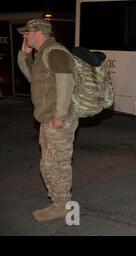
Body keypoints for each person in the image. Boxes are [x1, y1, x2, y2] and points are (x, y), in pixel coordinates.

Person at [17, 19, 78, 222]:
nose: (24, 35)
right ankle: (58, 202)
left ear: (40, 32)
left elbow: (65, 82)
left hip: (58, 119)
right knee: (48, 163)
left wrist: (60, 115)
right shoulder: (43, 53)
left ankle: (62, 205)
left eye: (28, 32)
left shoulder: (55, 52)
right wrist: (24, 53)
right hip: (48, 118)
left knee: (56, 163)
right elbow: (32, 78)